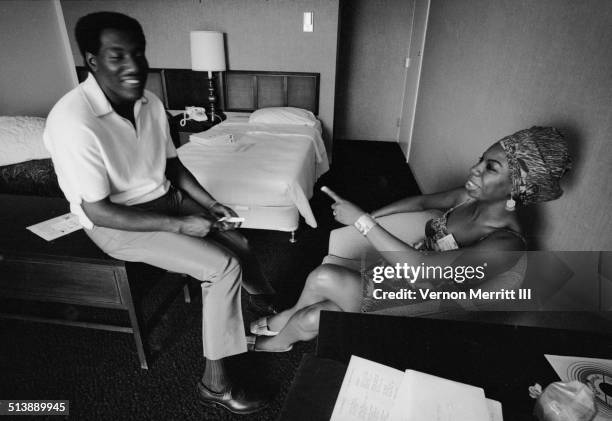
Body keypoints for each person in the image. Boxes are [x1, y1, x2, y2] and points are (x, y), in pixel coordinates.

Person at [44, 12, 272, 414]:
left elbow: (172, 166)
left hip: (164, 199)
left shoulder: (150, 102)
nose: (133, 66)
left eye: (137, 53)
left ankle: (261, 306)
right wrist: (181, 223)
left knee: (240, 241)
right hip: (118, 222)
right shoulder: (73, 122)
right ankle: (214, 384)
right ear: (92, 60)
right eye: (117, 56)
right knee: (222, 267)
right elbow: (98, 212)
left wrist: (208, 203)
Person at [249, 126, 572, 351]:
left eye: (490, 168)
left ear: (518, 188)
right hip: (401, 275)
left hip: (426, 305)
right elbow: (421, 202)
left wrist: (362, 223)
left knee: (324, 277)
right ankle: (283, 332)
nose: (474, 170)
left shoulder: (507, 244)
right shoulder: (469, 198)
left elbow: (427, 275)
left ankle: (279, 330)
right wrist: (373, 216)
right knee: (313, 314)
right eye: (480, 160)